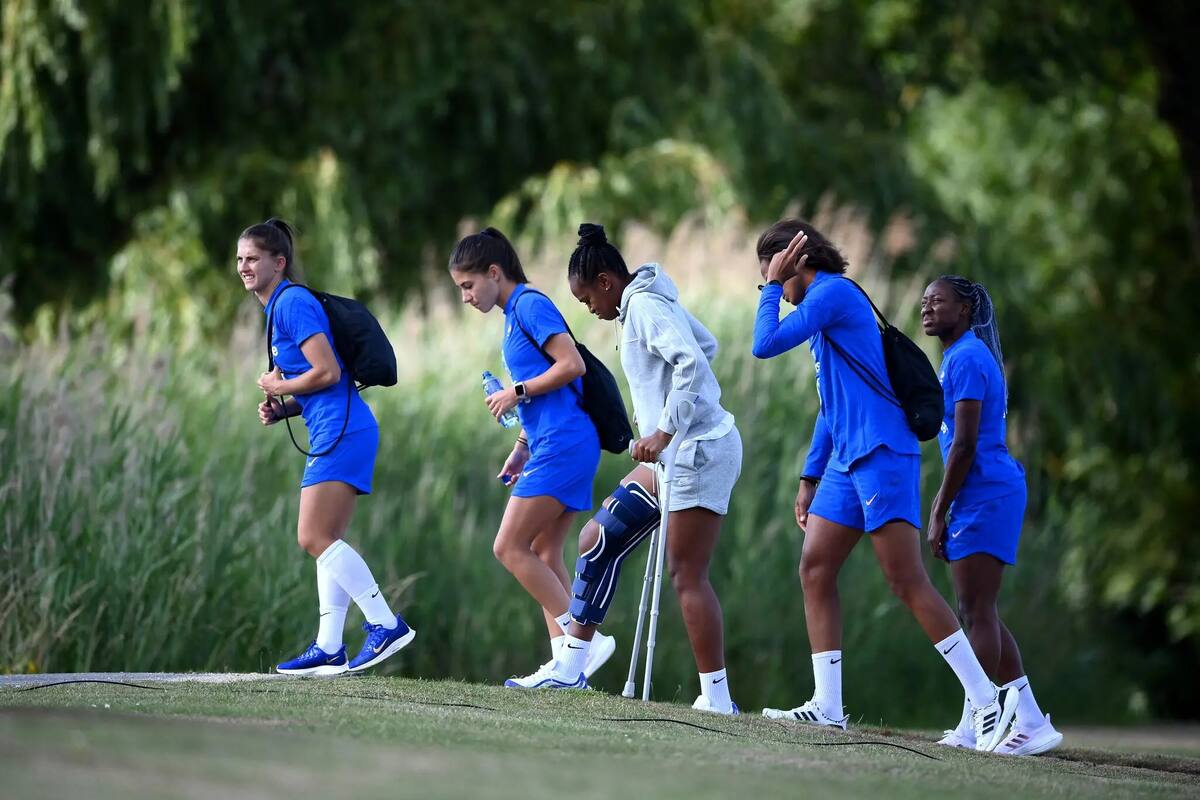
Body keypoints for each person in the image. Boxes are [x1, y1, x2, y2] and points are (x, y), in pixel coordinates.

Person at [750, 218, 1017, 750]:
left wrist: (769, 290)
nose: (771, 280)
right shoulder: (822, 312)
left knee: (906, 579)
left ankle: (987, 700)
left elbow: (764, 343)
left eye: (775, 268)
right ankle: (828, 705)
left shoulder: (832, 294)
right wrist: (809, 473)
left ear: (798, 261)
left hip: (883, 454)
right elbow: (831, 403)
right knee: (815, 566)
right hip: (847, 462)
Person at [543, 223, 743, 714]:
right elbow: (707, 346)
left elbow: (694, 362)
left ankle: (717, 700)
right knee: (597, 538)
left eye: (588, 298)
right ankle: (572, 667)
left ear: (607, 282)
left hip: (698, 452)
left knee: (686, 574)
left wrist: (665, 430)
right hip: (673, 457)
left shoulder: (646, 307)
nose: (589, 308)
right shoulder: (647, 302)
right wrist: (661, 420)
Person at [238, 218, 415, 676]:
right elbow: (322, 384)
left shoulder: (292, 302)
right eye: (239, 259)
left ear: (279, 263)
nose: (244, 267)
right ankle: (329, 645)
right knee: (325, 540)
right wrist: (286, 407)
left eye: (253, 258)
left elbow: (329, 372)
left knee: (312, 536)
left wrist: (279, 383)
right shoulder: (280, 306)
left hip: (344, 431)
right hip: (339, 427)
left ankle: (384, 622)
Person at [448, 227, 615, 688]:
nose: (465, 297)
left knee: (508, 546)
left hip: (566, 444)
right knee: (542, 550)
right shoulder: (513, 314)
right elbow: (549, 392)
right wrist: (521, 448)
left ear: (494, 272)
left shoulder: (529, 305)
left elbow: (571, 366)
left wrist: (514, 391)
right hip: (553, 442)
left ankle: (583, 642)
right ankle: (567, 666)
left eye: (467, 285)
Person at [921, 276, 1062, 755]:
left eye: (937, 301)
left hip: (986, 492)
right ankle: (1030, 719)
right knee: (979, 610)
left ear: (964, 310)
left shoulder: (967, 356)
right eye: (923, 302)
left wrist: (938, 509)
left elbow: (964, 445)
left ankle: (976, 723)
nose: (926, 308)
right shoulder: (960, 356)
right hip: (980, 494)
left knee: (976, 610)